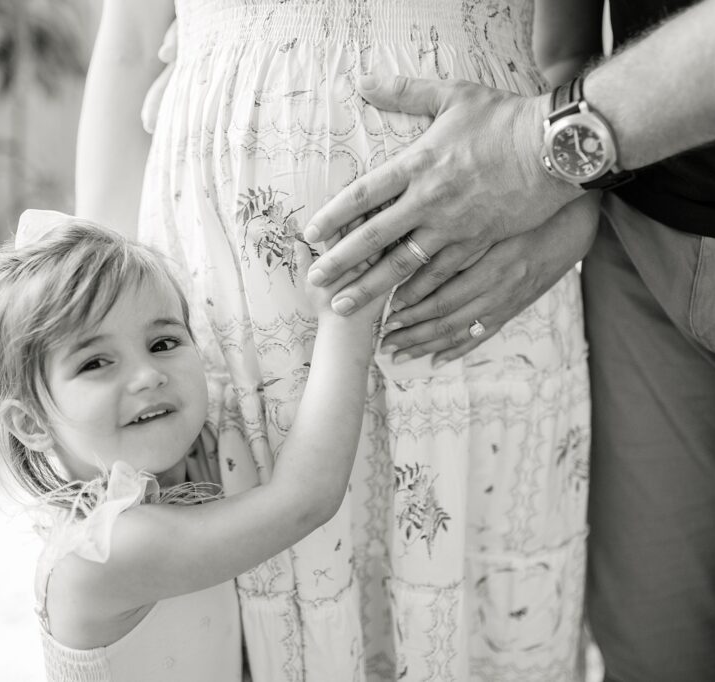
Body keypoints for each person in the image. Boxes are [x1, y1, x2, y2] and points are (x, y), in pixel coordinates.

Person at [301, 0, 715, 680]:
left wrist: (540, 152)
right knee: (652, 654)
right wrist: (575, 182)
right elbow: (562, 42)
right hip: (637, 253)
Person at [76, 1, 597, 679]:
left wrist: (582, 203)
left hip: (496, 224)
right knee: (252, 554)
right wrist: (92, 328)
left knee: (482, 565)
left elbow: (589, 44)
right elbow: (127, 47)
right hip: (232, 276)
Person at [0, 213, 385, 681]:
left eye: (163, 343)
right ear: (32, 422)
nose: (148, 375)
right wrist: (347, 313)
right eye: (96, 362)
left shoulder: (170, 479)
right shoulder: (111, 552)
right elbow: (305, 500)